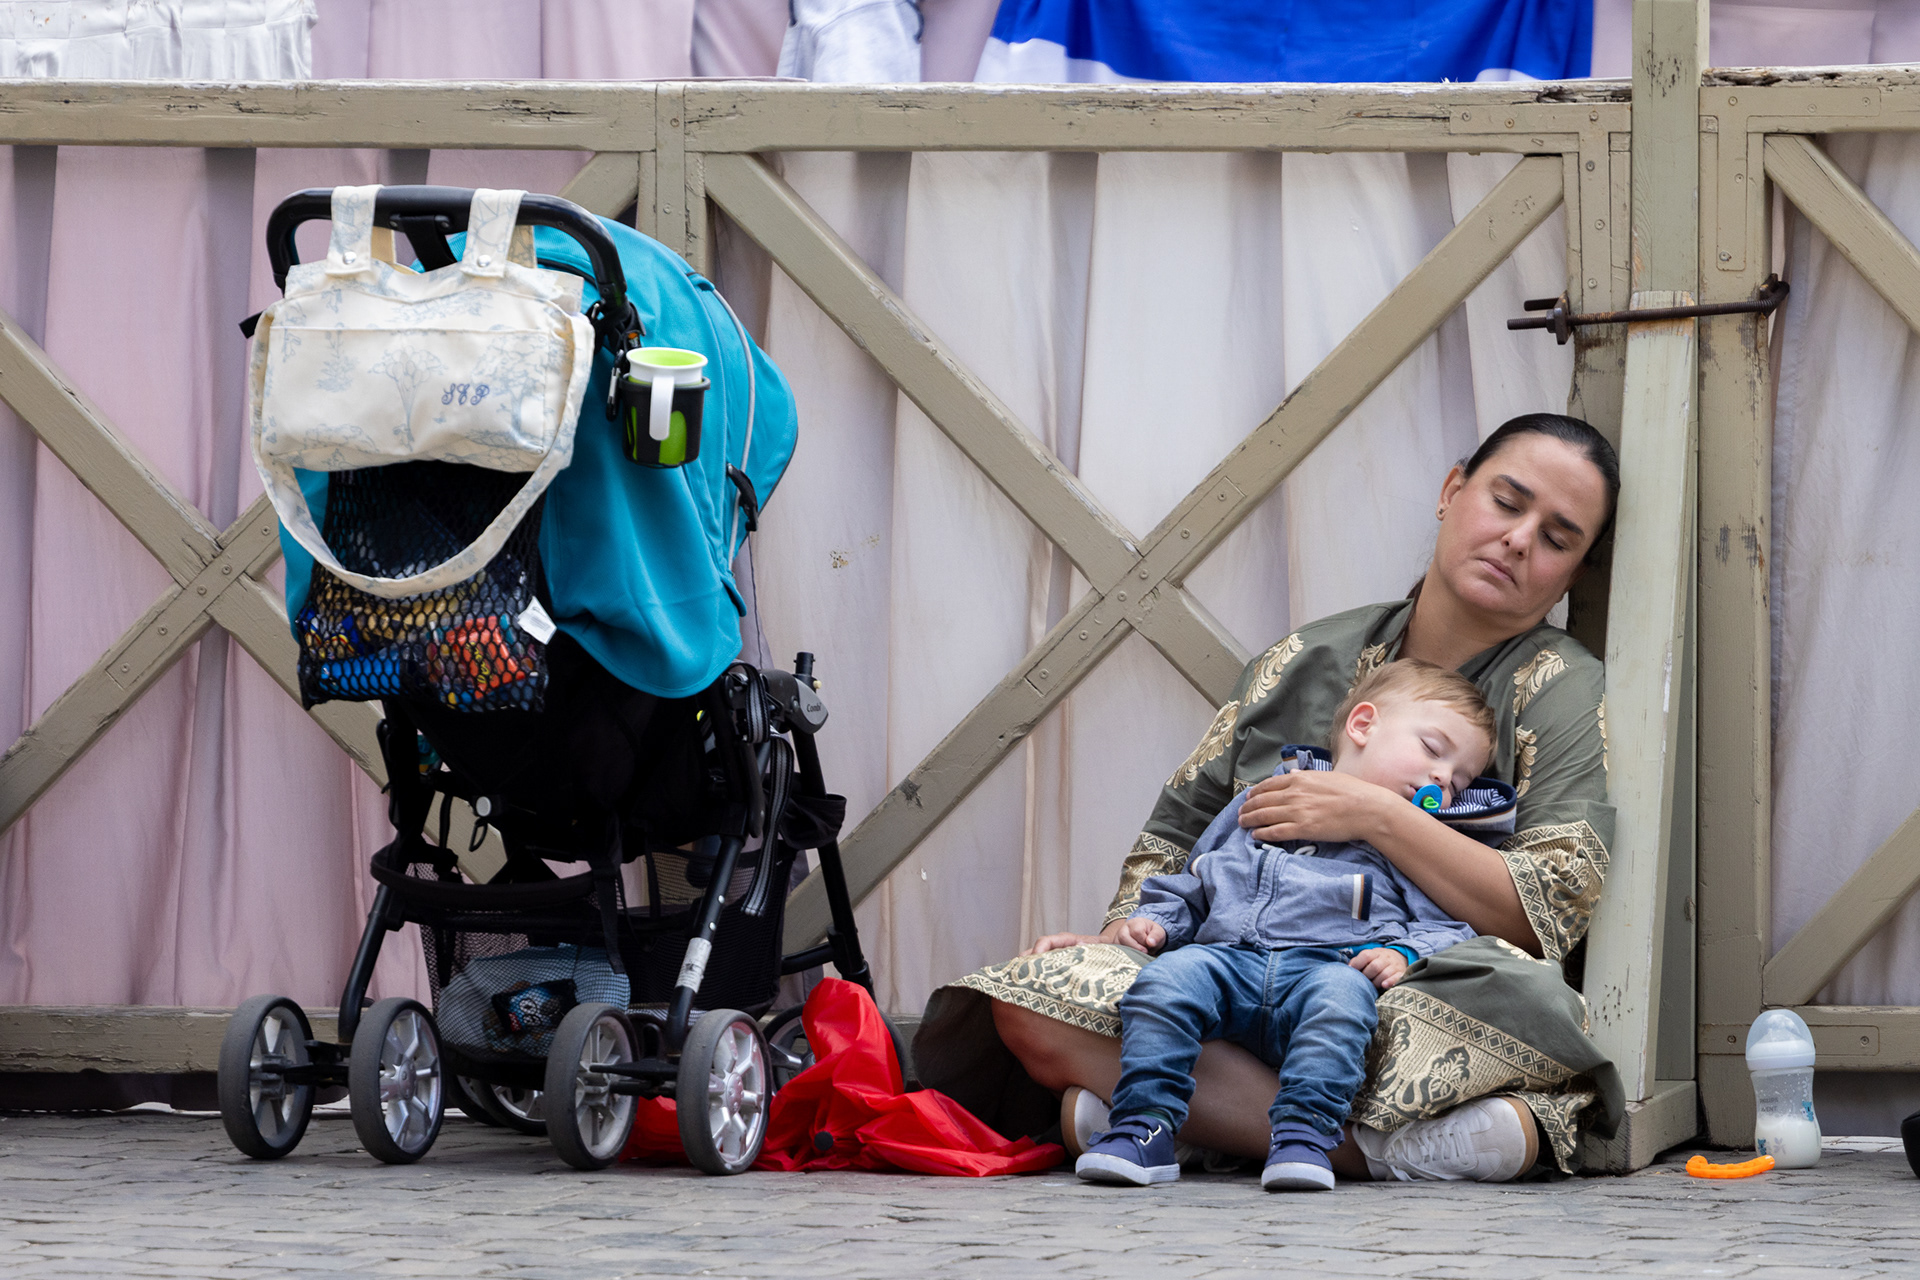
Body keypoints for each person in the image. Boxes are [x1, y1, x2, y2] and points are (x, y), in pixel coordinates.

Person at [913, 413, 1626, 1182]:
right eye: (1507, 502)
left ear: (1574, 572)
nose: (1520, 539)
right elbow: (1177, 832)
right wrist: (1132, 930)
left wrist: (1375, 815)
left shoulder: (1558, 683)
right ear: (1452, 492)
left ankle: (1189, 1117)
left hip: (1398, 987)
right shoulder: (1303, 659)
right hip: (1228, 968)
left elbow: (1542, 912)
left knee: (1519, 1002)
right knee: (1030, 1000)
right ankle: (1364, 1150)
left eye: (1557, 537)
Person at [1076, 661, 1492, 1192]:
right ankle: (1143, 1125)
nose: (1443, 780)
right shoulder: (1264, 798)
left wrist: (1403, 953)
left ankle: (1302, 1136)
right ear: (1363, 726)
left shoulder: (1409, 842)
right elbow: (1200, 878)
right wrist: (1156, 923)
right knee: (1164, 982)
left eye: (1460, 781)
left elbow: (1448, 925)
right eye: (1434, 751)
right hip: (1227, 959)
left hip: (1324, 970)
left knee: (1343, 999)